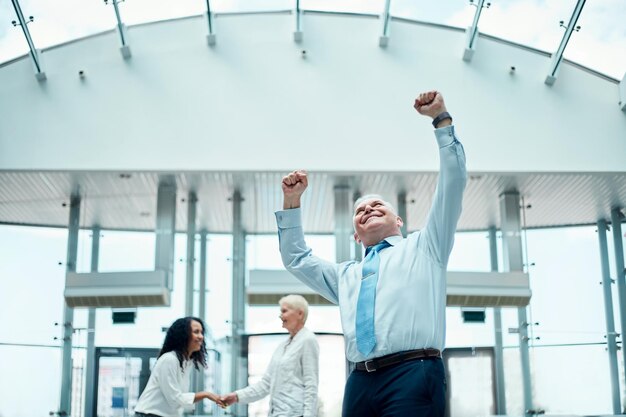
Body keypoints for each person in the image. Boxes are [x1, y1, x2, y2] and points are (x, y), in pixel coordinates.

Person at [275, 91, 467, 417]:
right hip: (360, 380)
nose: (368, 209)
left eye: (378, 205)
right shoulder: (346, 275)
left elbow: (453, 184)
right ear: (355, 234)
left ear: (399, 220)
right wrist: (292, 200)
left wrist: (441, 120)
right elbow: (296, 258)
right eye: (360, 210)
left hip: (414, 372)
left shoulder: (426, 247)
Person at [221, 294, 320, 417]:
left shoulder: (308, 340)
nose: (280, 315)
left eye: (284, 311)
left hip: (295, 414)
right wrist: (236, 396)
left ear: (300, 313)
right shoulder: (282, 347)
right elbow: (265, 384)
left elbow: (311, 384)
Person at [134, 317, 225, 417]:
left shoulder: (186, 362)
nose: (201, 336)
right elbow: (175, 400)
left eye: (201, 332)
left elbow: (178, 402)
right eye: (196, 332)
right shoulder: (169, 359)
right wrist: (206, 394)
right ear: (183, 336)